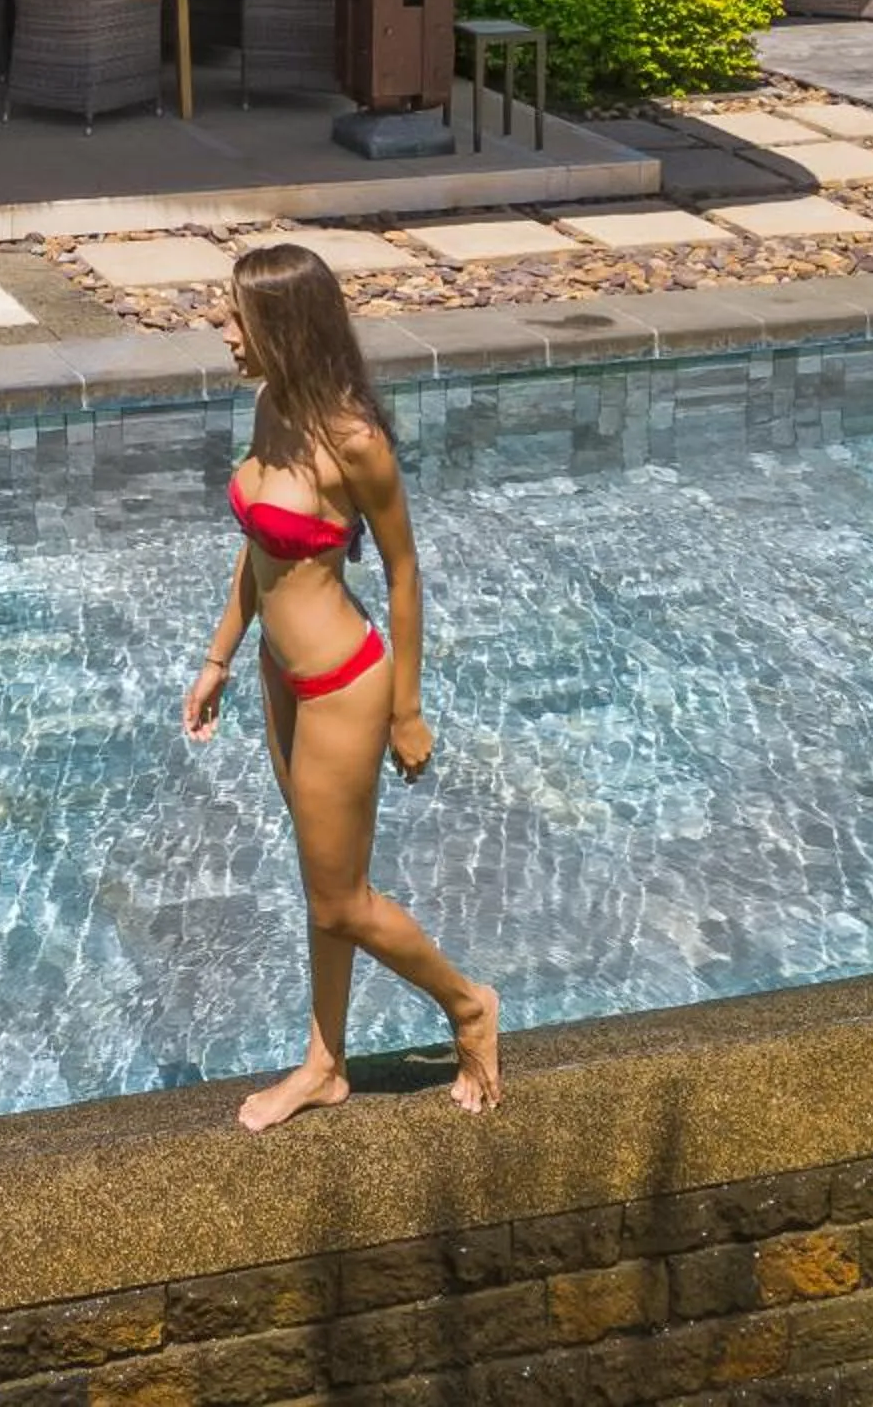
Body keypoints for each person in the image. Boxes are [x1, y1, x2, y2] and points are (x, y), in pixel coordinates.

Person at [182, 241, 501, 1129]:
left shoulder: (355, 442)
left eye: (235, 317)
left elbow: (402, 572)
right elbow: (257, 555)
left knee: (340, 898)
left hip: (343, 686)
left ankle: (469, 1004)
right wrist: (218, 660)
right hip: (280, 678)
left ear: (281, 327)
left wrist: (408, 710)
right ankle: (325, 1065)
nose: (224, 333)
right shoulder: (271, 407)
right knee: (323, 882)